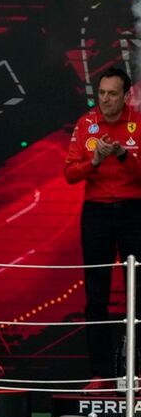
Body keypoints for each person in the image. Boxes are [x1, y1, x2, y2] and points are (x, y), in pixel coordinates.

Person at [63, 66, 141, 389]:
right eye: (102, 93)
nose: (105, 100)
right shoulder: (86, 124)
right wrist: (94, 161)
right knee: (96, 294)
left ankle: (136, 370)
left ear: (126, 95)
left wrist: (123, 155)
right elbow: (69, 173)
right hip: (96, 212)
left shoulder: (137, 121)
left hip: (134, 212)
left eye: (112, 94)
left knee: (138, 293)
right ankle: (100, 373)